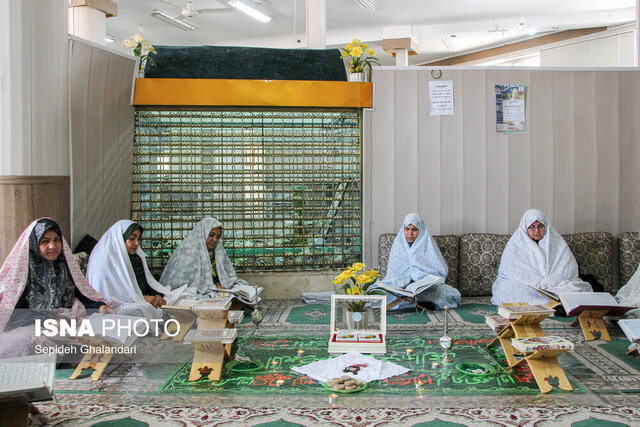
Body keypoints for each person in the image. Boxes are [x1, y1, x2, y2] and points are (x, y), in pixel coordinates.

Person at [0, 218, 113, 358]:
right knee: (30, 340)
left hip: (68, 320)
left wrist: (99, 306)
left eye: (56, 240)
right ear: (34, 243)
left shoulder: (64, 265)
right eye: (45, 241)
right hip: (33, 325)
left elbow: (81, 293)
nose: (52, 246)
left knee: (106, 326)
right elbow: (14, 314)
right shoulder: (22, 272)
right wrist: (48, 322)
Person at [491, 208, 592, 306]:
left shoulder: (557, 242)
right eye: (532, 227)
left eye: (540, 226)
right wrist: (537, 282)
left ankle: (556, 305)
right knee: (508, 291)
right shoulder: (515, 244)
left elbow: (568, 267)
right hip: (527, 285)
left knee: (579, 287)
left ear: (546, 226)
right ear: (525, 227)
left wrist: (550, 282)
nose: (537, 231)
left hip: (555, 284)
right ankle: (556, 305)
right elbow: (512, 271)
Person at [87, 220, 180, 319]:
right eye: (132, 238)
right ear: (119, 239)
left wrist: (157, 296)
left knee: (185, 296)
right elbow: (108, 294)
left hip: (143, 300)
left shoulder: (136, 258)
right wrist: (141, 298)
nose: (136, 243)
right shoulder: (104, 260)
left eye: (138, 239)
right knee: (142, 310)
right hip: (118, 307)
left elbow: (148, 282)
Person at [378, 213, 461, 309]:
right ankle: (417, 303)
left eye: (414, 229)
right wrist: (403, 281)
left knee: (451, 294)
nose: (410, 233)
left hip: (424, 289)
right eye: (407, 229)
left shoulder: (428, 244)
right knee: (376, 292)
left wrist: (419, 277)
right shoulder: (398, 245)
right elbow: (393, 273)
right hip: (400, 287)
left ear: (420, 230)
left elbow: (440, 270)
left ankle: (411, 303)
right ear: (403, 229)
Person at [160, 217, 250, 296]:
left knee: (244, 286)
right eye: (211, 235)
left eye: (218, 237)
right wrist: (214, 288)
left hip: (217, 289)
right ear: (203, 233)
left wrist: (219, 284)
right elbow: (182, 285)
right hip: (196, 292)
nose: (214, 240)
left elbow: (228, 277)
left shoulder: (218, 251)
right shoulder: (188, 251)